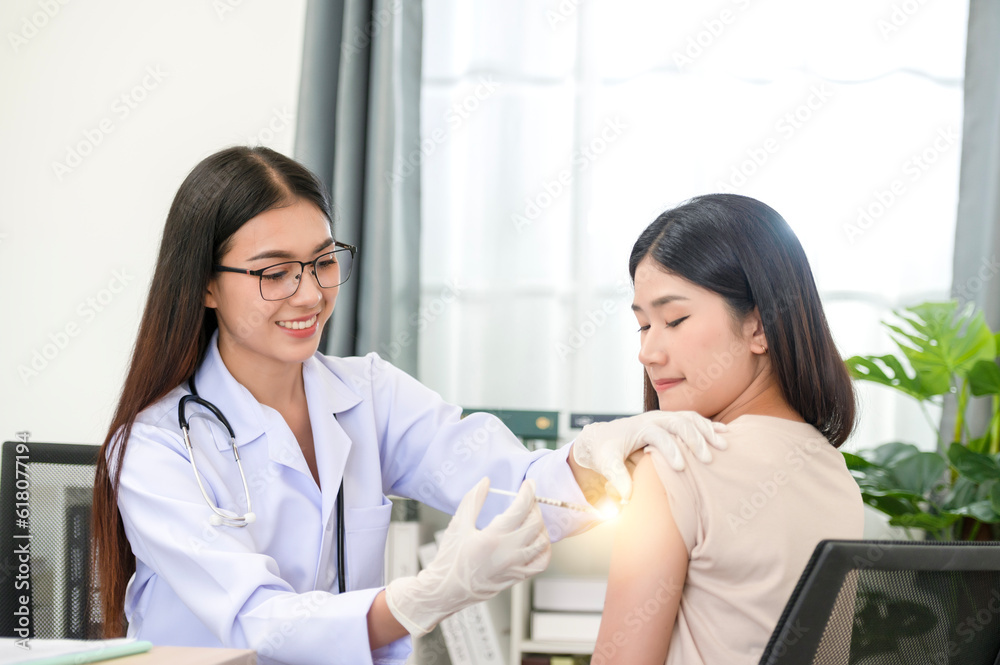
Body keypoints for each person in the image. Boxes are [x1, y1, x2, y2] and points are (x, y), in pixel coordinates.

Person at [91, 146, 727, 665]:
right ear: (205, 283)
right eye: (274, 271)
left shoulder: (367, 394)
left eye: (322, 262)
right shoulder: (155, 447)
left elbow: (514, 487)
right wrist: (425, 597)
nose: (310, 293)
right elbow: (259, 621)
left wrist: (597, 454)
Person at [591, 194, 864, 665]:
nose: (648, 352)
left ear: (760, 326)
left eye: (674, 319)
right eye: (643, 326)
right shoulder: (835, 474)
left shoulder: (676, 465)